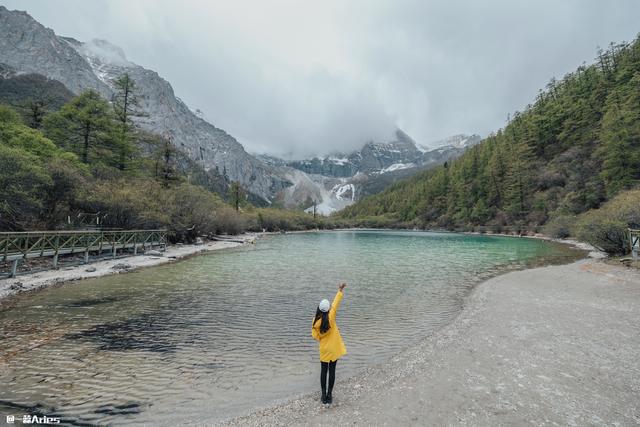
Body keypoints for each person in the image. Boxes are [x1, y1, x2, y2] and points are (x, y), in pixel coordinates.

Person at [312, 282, 347, 404]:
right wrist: (340, 290)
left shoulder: (315, 322)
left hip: (324, 350)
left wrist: (321, 336)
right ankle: (330, 395)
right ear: (328, 310)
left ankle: (323, 396)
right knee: (332, 371)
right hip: (334, 349)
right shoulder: (331, 316)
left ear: (319, 309)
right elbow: (335, 303)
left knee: (323, 371)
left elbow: (315, 337)